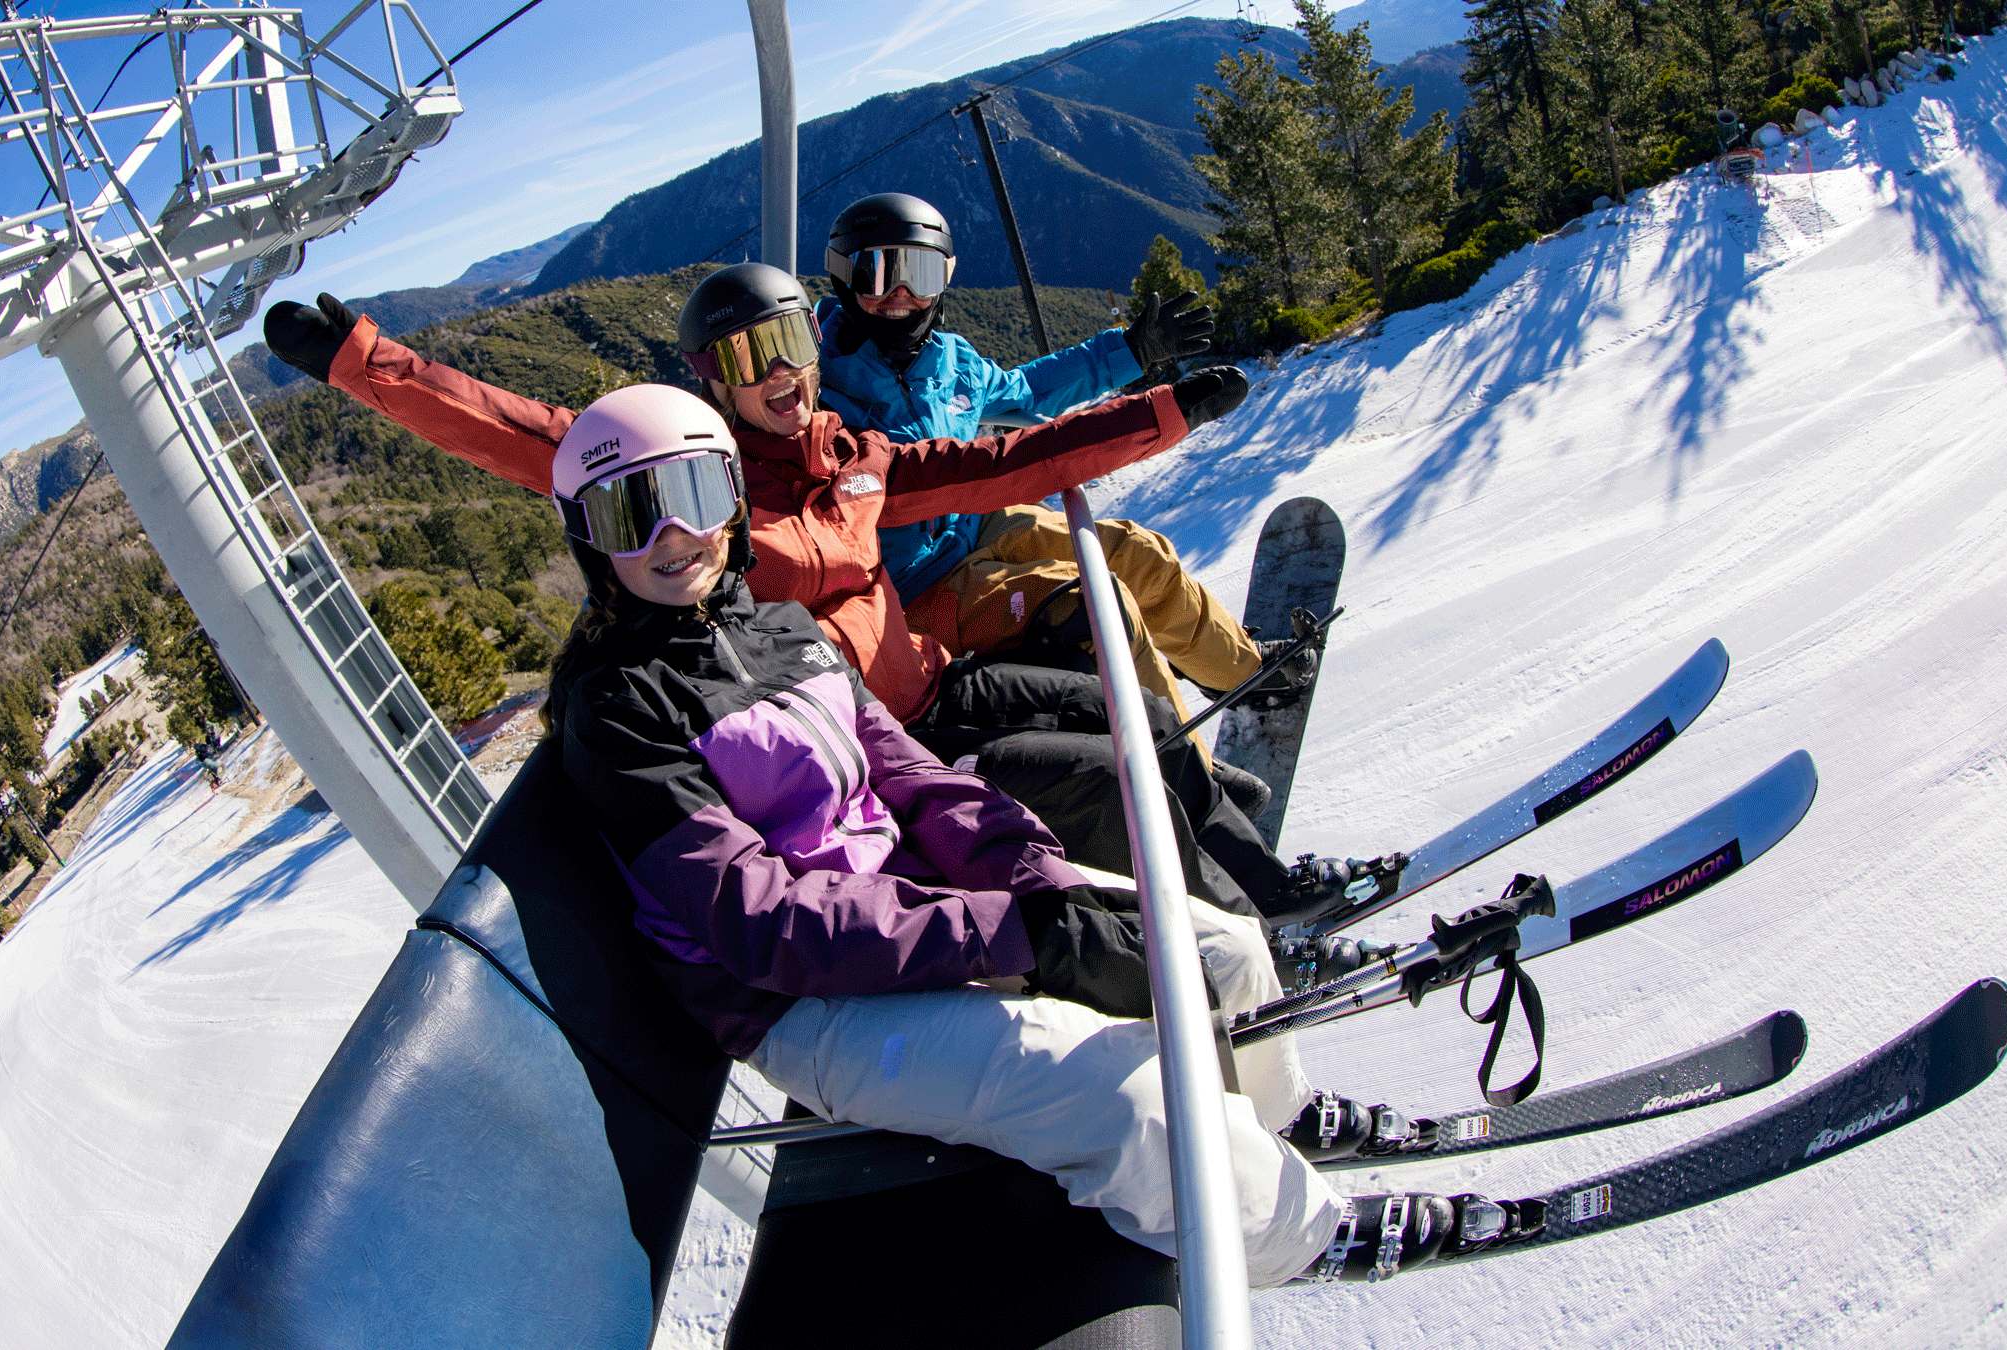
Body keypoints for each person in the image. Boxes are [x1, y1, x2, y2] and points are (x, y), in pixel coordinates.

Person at [538, 382, 1542, 1286]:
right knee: (1126, 1088)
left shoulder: (781, 629)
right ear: (590, 539)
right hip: (805, 1008)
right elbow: (761, 922)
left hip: (922, 912)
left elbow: (915, 776)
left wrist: (1041, 882)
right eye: (634, 512)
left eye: (698, 496)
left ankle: (1282, 1121)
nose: (675, 537)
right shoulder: (618, 714)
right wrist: (1017, 933)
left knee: (1226, 952)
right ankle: (1310, 1236)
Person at [265, 265, 1332, 925]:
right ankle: (1231, 927)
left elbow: (1008, 456)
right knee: (1099, 781)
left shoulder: (859, 459)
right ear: (712, 379)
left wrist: (1162, 411)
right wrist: (366, 363)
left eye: (790, 341)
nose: (778, 370)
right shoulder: (699, 481)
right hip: (876, 749)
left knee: (1134, 712)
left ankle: (1255, 878)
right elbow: (526, 433)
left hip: (934, 689)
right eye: (746, 355)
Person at [817, 193, 1315, 750]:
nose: (901, 297)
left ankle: (1243, 674)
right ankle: (1186, 779)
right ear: (843, 276)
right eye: (879, 273)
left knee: (1136, 553)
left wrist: (1130, 350)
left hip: (975, 528)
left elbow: (1028, 392)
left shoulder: (949, 360)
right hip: (908, 589)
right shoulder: (812, 384)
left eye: (922, 273)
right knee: (1101, 606)